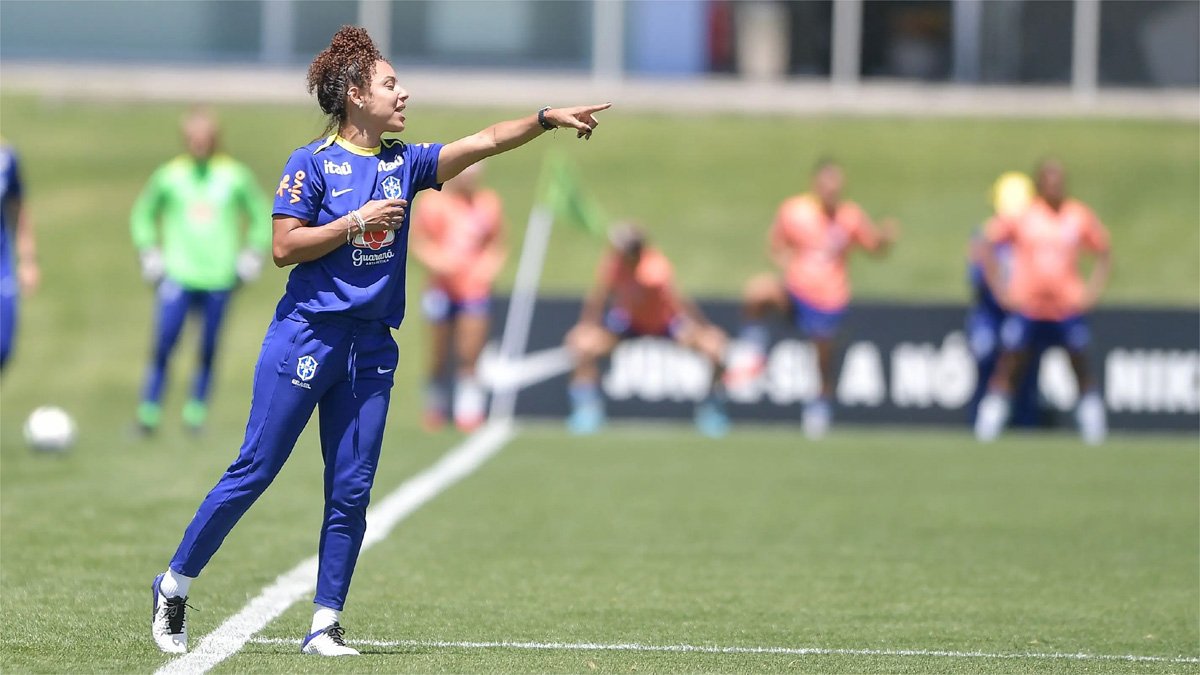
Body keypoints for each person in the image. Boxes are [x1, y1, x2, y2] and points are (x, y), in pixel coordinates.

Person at [149, 25, 609, 657]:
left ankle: (324, 623)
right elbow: (283, 247)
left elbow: (484, 141)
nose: (403, 93)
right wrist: (353, 222)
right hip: (307, 335)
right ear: (356, 94)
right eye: (391, 83)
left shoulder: (405, 163)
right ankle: (174, 583)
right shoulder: (311, 163)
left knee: (351, 489)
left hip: (371, 348)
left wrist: (544, 118)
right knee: (257, 468)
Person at [728, 158, 897, 439]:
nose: (831, 189)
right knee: (759, 291)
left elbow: (874, 246)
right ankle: (754, 350)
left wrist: (885, 238)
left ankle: (820, 404)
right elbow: (775, 246)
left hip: (829, 298)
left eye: (836, 184)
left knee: (823, 356)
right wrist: (789, 265)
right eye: (826, 183)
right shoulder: (794, 211)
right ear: (815, 184)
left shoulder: (850, 217)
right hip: (796, 291)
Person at [131, 108, 272, 434]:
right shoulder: (170, 175)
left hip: (218, 277)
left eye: (204, 136)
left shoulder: (234, 175)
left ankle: (196, 412)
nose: (198, 142)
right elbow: (143, 213)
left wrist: (252, 254)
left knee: (208, 347)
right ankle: (149, 411)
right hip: (178, 274)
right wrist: (149, 251)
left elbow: (260, 214)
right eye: (193, 136)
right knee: (164, 343)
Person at [975, 159, 1111, 444]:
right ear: (1039, 185)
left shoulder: (1077, 215)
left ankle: (1094, 429)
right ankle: (988, 426)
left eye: (1059, 181)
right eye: (1050, 182)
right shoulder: (1024, 215)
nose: (1055, 187)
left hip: (1066, 308)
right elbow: (985, 243)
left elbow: (1103, 249)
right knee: (1010, 364)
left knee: (1080, 364)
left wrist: (1092, 291)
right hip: (1029, 307)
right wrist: (1000, 289)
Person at [565, 223, 731, 437]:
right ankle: (587, 410)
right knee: (582, 346)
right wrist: (587, 325)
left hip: (664, 323)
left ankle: (712, 409)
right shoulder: (613, 264)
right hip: (629, 322)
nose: (618, 252)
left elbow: (679, 302)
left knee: (713, 348)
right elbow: (599, 296)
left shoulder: (655, 270)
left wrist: (703, 328)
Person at [410, 161, 506, 432]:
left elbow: (496, 243)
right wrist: (437, 262)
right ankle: (435, 405)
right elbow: (419, 241)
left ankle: (469, 409)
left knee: (470, 350)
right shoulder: (432, 203)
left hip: (474, 289)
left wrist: (488, 267)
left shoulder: (487, 203)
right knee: (439, 351)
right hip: (440, 288)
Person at [966, 171, 1043, 427]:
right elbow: (976, 277)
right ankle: (983, 420)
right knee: (986, 356)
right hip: (990, 314)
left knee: (1024, 365)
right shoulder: (986, 236)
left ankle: (1025, 421)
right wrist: (1003, 292)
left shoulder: (1034, 236)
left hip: (1023, 313)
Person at [0, 140, 39, 372]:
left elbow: (18, 207)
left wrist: (28, 260)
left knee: (3, 346)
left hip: (2, 265)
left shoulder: (6, 158)